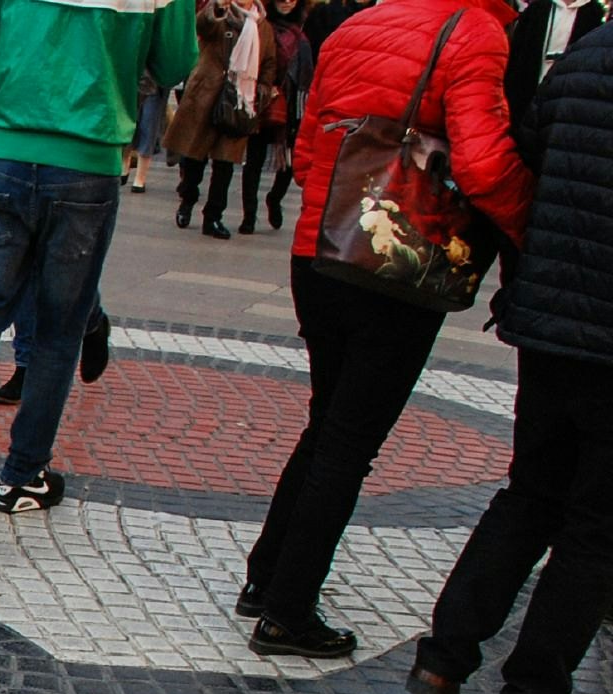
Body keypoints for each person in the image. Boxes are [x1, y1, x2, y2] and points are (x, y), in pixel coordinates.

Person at [235, 0, 530, 657]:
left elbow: (309, 152)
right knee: (349, 441)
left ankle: (267, 575)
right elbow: (481, 165)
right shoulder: (474, 29)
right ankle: (287, 610)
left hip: (321, 249)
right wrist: (527, 224)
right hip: (395, 262)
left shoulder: (358, 22)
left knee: (327, 422)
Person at [0, 0, 196, 550]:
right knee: (57, 334)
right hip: (88, 163)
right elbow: (174, 64)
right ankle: (23, 474)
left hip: (6, 155)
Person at [408, 26, 613, 694]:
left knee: (530, 496)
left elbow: (528, 155)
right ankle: (534, 692)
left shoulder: (588, 53)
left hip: (551, 317)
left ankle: (443, 658)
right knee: (595, 527)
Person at [165, 0, 281, 239]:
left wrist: (262, 89)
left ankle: (213, 216)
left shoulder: (262, 25)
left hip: (239, 100)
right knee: (194, 156)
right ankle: (187, 199)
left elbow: (269, 61)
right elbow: (200, 26)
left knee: (225, 163)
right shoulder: (220, 13)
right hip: (206, 93)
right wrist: (216, 8)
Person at [236, 0, 309, 232]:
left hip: (290, 107)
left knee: (287, 164)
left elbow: (307, 72)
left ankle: (275, 199)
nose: (286, 2)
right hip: (261, 101)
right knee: (253, 162)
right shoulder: (259, 25)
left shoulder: (302, 33)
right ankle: (249, 215)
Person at [506, 0, 603, 127]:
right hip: (527, 99)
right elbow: (517, 58)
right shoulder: (538, 9)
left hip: (568, 105)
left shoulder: (593, 13)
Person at [128, 70, 167, 189]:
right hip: (132, 78)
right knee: (129, 123)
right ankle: (125, 164)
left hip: (155, 80)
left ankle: (140, 176)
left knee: (149, 125)